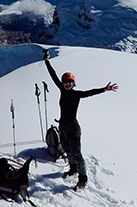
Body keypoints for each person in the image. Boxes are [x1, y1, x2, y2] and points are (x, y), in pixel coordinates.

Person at [43, 50, 117, 190]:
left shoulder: (76, 94)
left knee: (77, 153)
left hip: (73, 128)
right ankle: (73, 169)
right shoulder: (62, 90)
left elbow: (89, 93)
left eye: (69, 82)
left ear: (73, 83)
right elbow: (53, 75)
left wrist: (104, 89)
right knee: (67, 150)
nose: (66, 84)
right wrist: (47, 61)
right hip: (63, 127)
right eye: (65, 82)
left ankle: (83, 178)